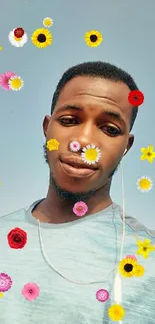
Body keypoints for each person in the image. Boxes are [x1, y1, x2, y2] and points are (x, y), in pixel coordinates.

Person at [0, 61, 155, 324]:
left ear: (126, 146)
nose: (83, 141)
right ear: (47, 128)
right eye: (69, 120)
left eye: (109, 129)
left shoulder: (147, 259)